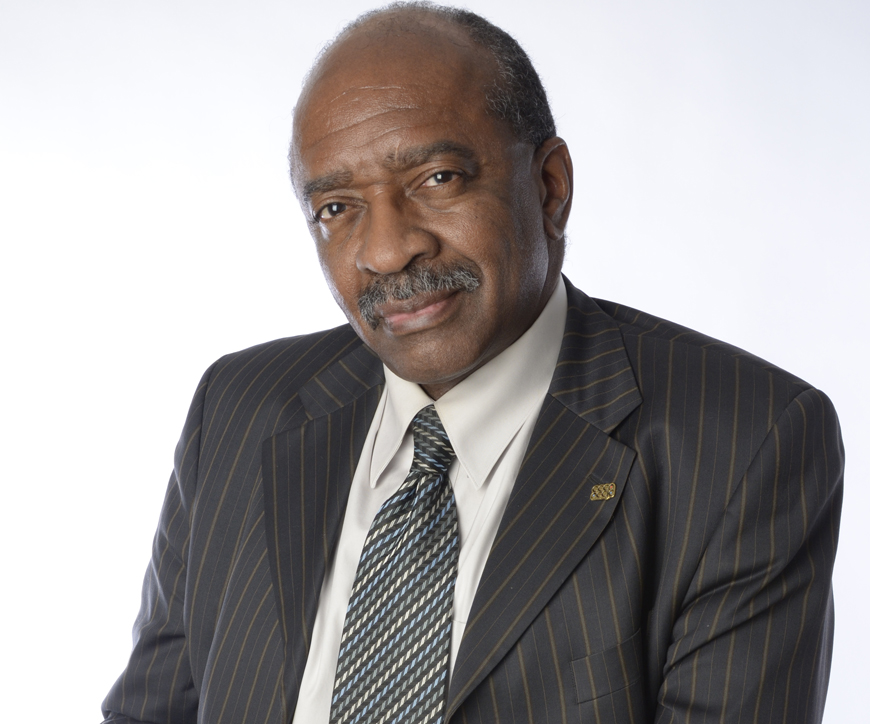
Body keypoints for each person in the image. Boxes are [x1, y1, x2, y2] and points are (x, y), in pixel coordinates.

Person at [101, 3, 844, 723]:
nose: (387, 250)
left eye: (437, 179)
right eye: (337, 208)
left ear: (550, 187)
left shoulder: (743, 443)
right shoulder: (237, 408)